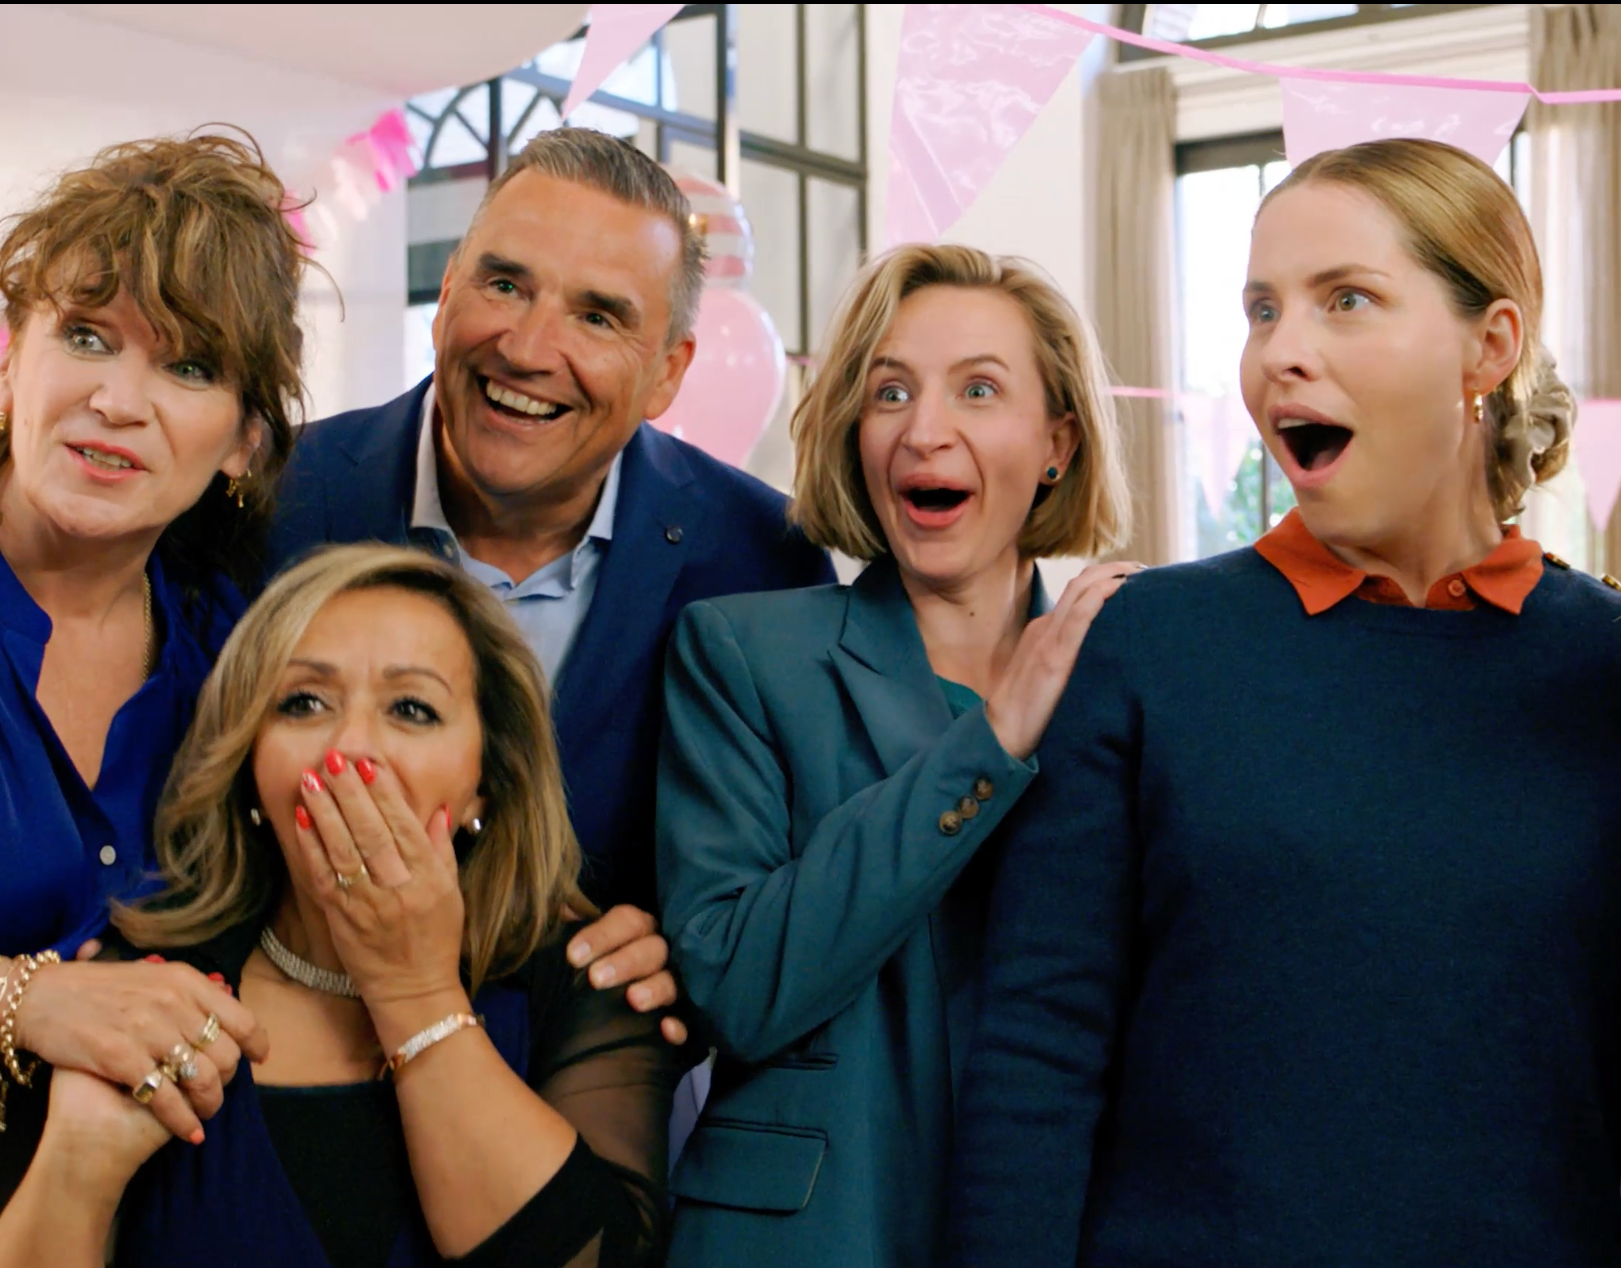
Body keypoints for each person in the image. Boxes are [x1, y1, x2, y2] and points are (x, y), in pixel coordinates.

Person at [946, 138, 1621, 1267]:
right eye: (1262, 310)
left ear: (1490, 345)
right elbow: (1037, 1053)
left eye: (1345, 299)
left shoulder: (1601, 667)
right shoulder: (1151, 642)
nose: (1279, 354)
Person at [655, 244, 1138, 1267]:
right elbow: (735, 984)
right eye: (890, 391)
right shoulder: (742, 652)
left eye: (978, 389)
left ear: (1056, 443)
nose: (924, 430)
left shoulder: (1125, 680)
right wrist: (992, 738)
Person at [0, 543, 681, 1268]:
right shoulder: (140, 991)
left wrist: (414, 991)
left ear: (486, 783)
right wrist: (79, 1161)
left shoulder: (592, 984)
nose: (352, 746)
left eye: (412, 709)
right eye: (304, 703)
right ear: (249, 764)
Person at [269, 127, 835, 946]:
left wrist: (682, 955)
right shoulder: (273, 498)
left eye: (597, 317)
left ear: (667, 373)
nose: (529, 350)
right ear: (448, 292)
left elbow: (783, 896)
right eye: (504, 285)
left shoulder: (763, 562)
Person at [0, 133, 301, 1192]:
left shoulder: (235, 655)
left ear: (244, 442)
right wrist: (22, 996)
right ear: (10, 355)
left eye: (187, 366)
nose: (120, 401)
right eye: (86, 335)